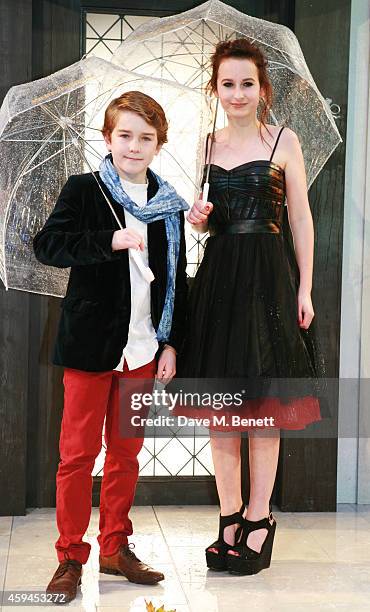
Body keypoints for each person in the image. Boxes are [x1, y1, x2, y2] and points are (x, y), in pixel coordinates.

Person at [33, 91, 188, 603]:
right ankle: (70, 556)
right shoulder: (85, 190)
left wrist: (170, 344)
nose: (134, 146)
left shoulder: (168, 203)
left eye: (146, 138)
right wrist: (110, 241)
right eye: (125, 135)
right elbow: (48, 246)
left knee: (126, 454)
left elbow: (174, 282)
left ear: (159, 144)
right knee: (77, 456)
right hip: (89, 346)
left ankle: (115, 548)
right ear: (108, 138)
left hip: (144, 349)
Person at [182, 39, 327, 576]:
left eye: (247, 83)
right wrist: (198, 218)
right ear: (215, 89)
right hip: (219, 279)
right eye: (227, 84)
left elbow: (301, 221)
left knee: (263, 411)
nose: (238, 93)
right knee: (222, 413)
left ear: (262, 88)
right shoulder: (205, 145)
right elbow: (204, 218)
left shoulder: (284, 141)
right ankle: (229, 518)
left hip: (269, 277)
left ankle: (261, 520)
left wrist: (304, 289)